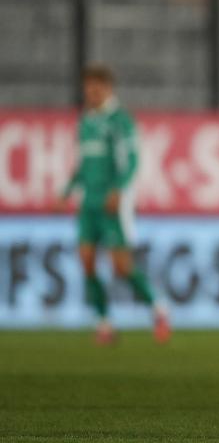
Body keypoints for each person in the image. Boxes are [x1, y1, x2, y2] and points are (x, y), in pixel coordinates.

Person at [55, 64, 170, 345]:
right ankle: (105, 324)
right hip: (89, 203)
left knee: (120, 266)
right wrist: (67, 191)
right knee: (87, 261)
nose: (91, 93)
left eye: (96, 88)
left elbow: (131, 161)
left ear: (108, 89)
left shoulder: (121, 121)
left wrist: (120, 189)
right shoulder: (85, 122)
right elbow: (82, 165)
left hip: (112, 203)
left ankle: (158, 310)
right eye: (88, 88)